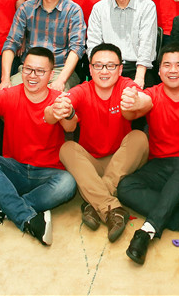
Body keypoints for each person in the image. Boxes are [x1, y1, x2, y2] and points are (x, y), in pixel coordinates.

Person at [0, 47, 78, 245]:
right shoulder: (8, 95)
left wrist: (68, 113)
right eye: (28, 69)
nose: (32, 76)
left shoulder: (58, 99)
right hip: (14, 170)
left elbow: (71, 126)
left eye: (40, 71)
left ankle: (1, 208)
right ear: (22, 69)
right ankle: (26, 216)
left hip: (47, 174)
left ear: (51, 74)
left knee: (68, 183)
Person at [116, 43, 179, 265]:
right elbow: (139, 105)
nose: (173, 70)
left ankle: (148, 229)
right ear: (159, 71)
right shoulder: (152, 93)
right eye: (167, 65)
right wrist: (132, 102)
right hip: (162, 164)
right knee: (125, 187)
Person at [58, 44, 150, 242]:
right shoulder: (82, 90)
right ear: (90, 69)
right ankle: (113, 208)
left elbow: (145, 100)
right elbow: (67, 106)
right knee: (67, 148)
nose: (104, 71)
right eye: (98, 66)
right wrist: (63, 107)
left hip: (121, 161)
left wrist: (137, 101)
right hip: (91, 163)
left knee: (139, 137)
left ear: (120, 69)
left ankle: (94, 203)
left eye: (110, 66)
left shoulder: (126, 85)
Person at [0, 0, 86, 92]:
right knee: (7, 93)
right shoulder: (26, 8)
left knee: (57, 98)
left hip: (59, 69)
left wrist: (61, 81)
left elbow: (77, 48)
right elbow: (11, 43)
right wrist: (5, 79)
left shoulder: (73, 10)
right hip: (29, 70)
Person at [86, 0, 158, 89]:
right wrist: (101, 70)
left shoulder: (146, 6)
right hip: (107, 69)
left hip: (137, 68)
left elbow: (147, 44)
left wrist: (139, 77)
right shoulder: (99, 8)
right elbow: (93, 44)